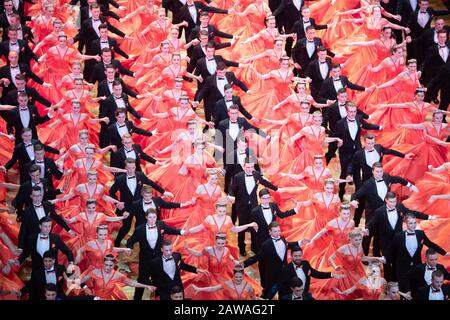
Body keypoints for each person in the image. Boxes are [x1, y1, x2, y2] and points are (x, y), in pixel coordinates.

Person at [350, 162, 419, 255]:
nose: (379, 174)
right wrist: (353, 200)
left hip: (384, 212)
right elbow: (356, 194)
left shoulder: (386, 177)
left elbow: (398, 179)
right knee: (368, 234)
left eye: (381, 171)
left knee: (380, 235)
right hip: (372, 213)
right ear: (372, 172)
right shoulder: (368, 184)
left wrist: (410, 185)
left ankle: (376, 254)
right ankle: (364, 254)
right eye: (377, 172)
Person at [126, 208, 188, 300]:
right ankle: (137, 298)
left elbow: (171, 230)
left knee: (159, 280)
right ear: (146, 217)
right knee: (142, 280)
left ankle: (158, 297)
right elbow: (131, 240)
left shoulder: (161, 225)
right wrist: (129, 248)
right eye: (150, 217)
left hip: (159, 260)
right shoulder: (140, 229)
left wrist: (181, 232)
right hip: (145, 260)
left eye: (154, 217)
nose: (152, 219)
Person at [382, 214, 449, 292]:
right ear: (406, 223)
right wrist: (384, 257)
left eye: (414, 223)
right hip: (402, 267)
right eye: (411, 223)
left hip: (416, 265)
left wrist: (444, 253)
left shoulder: (420, 234)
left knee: (416, 287)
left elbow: (430, 244)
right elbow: (390, 248)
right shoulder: (399, 236)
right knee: (404, 288)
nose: (413, 225)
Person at [242, 222, 309, 298]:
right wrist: (243, 264)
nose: (277, 233)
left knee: (284, 293)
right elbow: (256, 258)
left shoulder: (282, 239)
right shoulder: (266, 245)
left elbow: (287, 245)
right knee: (268, 294)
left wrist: (300, 242)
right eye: (275, 231)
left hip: (284, 272)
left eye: (278, 231)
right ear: (270, 232)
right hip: (272, 274)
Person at [269, 245, 339, 300]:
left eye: (299, 256)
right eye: (295, 256)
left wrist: (332, 274)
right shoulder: (286, 269)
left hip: (304, 296)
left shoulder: (306, 264)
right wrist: (267, 298)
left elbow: (316, 273)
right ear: (291, 256)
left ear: (302, 255)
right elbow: (277, 285)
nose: (298, 258)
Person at [79, 254, 154, 300]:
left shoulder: (118, 275)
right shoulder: (95, 272)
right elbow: (79, 281)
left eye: (110, 265)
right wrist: (85, 287)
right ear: (103, 264)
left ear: (114, 265)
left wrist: (146, 286)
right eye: (106, 265)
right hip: (95, 298)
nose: (108, 267)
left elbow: (132, 283)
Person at [191, 267, 257, 300]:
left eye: (240, 277)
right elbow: (213, 288)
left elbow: (254, 298)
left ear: (243, 276)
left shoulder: (248, 286)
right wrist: (199, 289)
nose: (238, 279)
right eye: (236, 277)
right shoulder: (228, 284)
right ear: (233, 276)